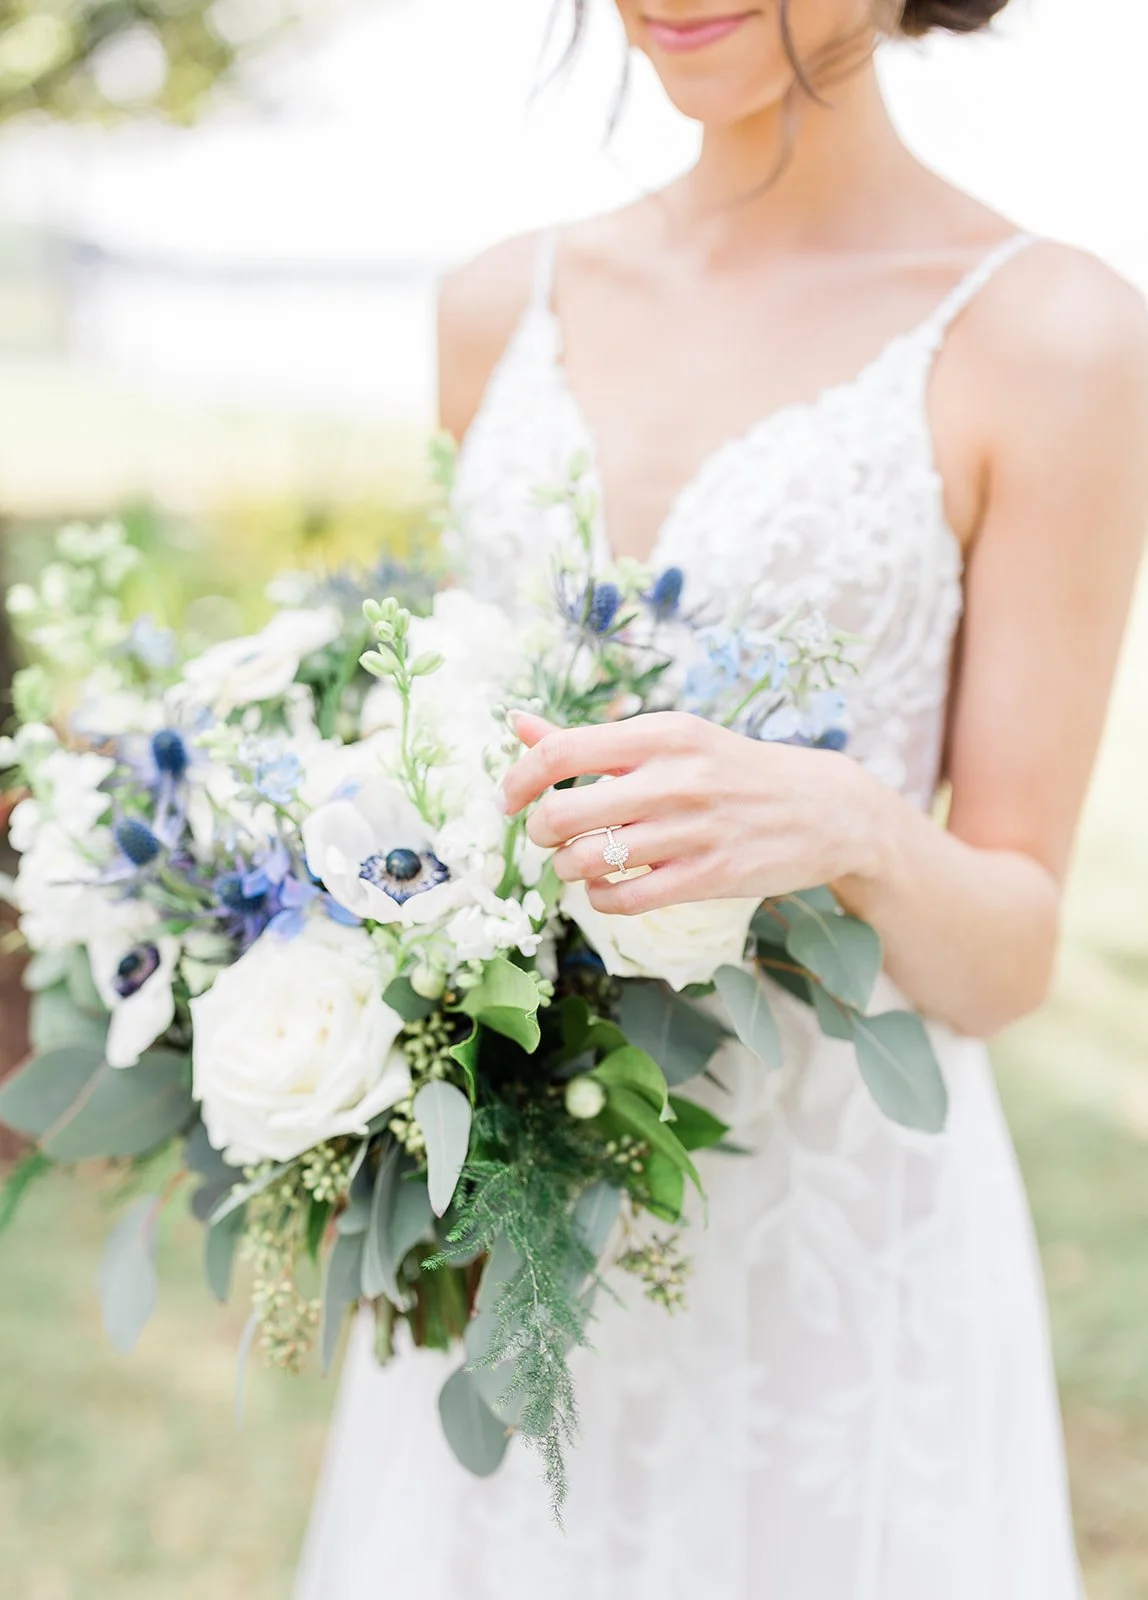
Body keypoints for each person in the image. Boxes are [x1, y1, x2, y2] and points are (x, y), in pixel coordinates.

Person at [296, 4, 1148, 1595]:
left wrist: (860, 826)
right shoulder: (497, 304)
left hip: (834, 1251)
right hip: (514, 1245)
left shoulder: (1053, 339)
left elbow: (1014, 953)